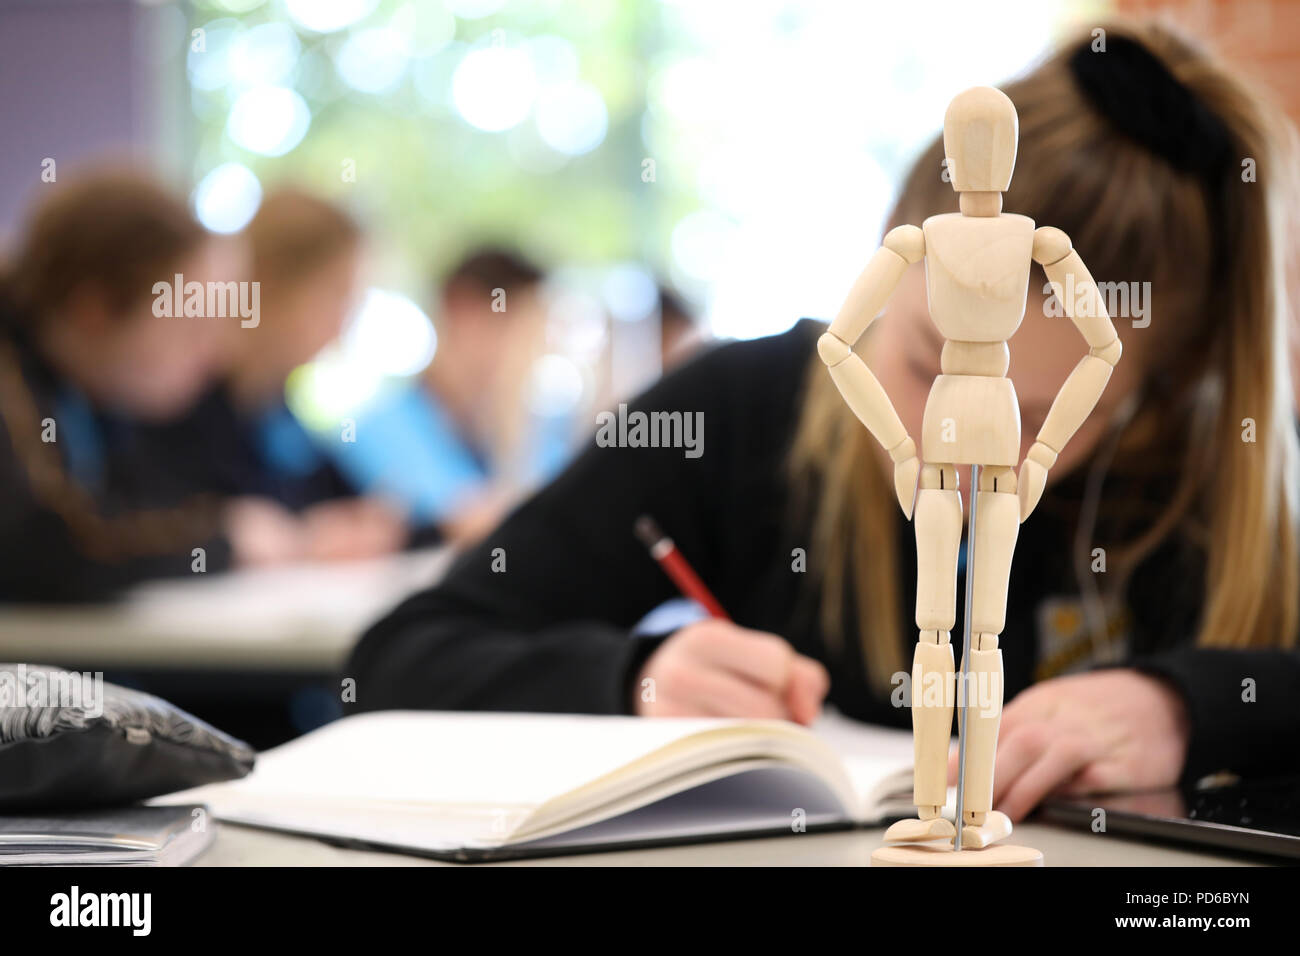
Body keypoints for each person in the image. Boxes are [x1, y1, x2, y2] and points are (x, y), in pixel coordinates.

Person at [343, 22, 1300, 821]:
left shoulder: (1213, 472)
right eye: (924, 363)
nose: (945, 440)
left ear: (1159, 389)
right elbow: (399, 657)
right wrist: (635, 675)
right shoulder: (736, 410)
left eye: (1041, 413)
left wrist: (1193, 707)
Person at [0, 170, 293, 600]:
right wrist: (226, 538)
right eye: (192, 329)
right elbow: (53, 546)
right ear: (94, 311)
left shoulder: (83, 388)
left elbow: (131, 507)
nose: (217, 356)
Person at [138, 188, 409, 563]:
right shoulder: (171, 397)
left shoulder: (276, 407)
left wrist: (360, 524)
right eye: (336, 294)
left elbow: (347, 505)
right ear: (272, 282)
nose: (343, 324)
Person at [326, 248, 573, 544]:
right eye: (524, 329)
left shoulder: (521, 428)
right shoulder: (377, 426)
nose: (533, 353)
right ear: (462, 310)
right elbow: (465, 520)